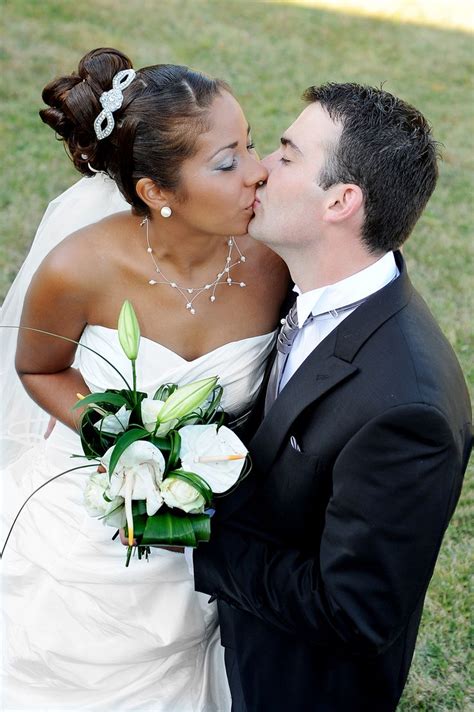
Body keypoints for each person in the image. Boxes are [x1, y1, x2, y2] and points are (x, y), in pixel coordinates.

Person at [0, 47, 289, 710]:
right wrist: (122, 437)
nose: (259, 174)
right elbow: (39, 367)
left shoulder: (275, 267)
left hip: (207, 545)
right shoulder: (80, 267)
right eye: (227, 162)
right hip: (77, 541)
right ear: (156, 192)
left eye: (251, 145)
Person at [192, 83, 473, 711]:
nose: (261, 170)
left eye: (287, 156)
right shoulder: (304, 286)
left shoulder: (407, 411)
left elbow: (352, 610)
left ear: (341, 202)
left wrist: (195, 533)